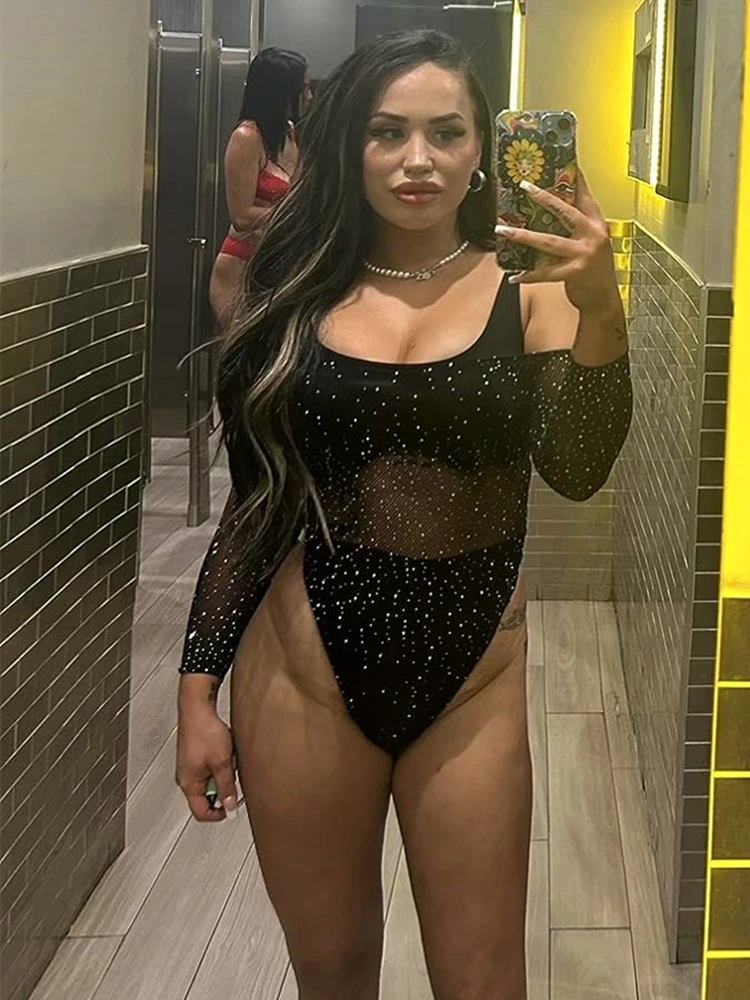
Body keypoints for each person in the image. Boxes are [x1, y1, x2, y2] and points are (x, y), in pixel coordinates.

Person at [176, 29, 632, 1000]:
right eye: (388, 133)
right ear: (351, 144)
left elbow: (578, 468)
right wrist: (195, 689)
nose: (417, 159)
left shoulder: (533, 291)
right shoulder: (293, 292)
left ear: (482, 149)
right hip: (301, 678)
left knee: (483, 981)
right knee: (333, 972)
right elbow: (258, 502)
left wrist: (602, 312)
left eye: (445, 132)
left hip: (475, 685)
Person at [209, 47, 313, 328]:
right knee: (246, 350)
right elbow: (241, 216)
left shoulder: (288, 133)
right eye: (302, 89)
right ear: (282, 92)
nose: (309, 96)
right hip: (240, 270)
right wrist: (298, 215)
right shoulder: (247, 137)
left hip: (277, 264)